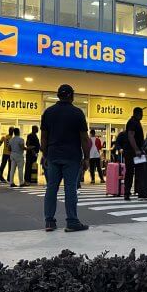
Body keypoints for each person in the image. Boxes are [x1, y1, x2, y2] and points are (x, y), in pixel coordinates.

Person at [40, 84, 91, 232]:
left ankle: (49, 222)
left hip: (53, 156)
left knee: (51, 188)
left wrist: (44, 155)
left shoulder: (48, 112)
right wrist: (87, 158)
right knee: (70, 189)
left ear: (58, 95)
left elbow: (44, 138)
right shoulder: (77, 113)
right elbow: (84, 138)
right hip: (72, 156)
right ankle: (72, 222)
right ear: (70, 95)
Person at [118, 106, 147, 201]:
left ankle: (141, 193)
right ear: (137, 114)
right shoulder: (132, 122)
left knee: (140, 172)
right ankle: (127, 193)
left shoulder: (136, 122)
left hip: (136, 151)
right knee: (132, 172)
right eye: (141, 114)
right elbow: (131, 137)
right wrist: (136, 150)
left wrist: (141, 149)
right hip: (132, 152)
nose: (142, 116)